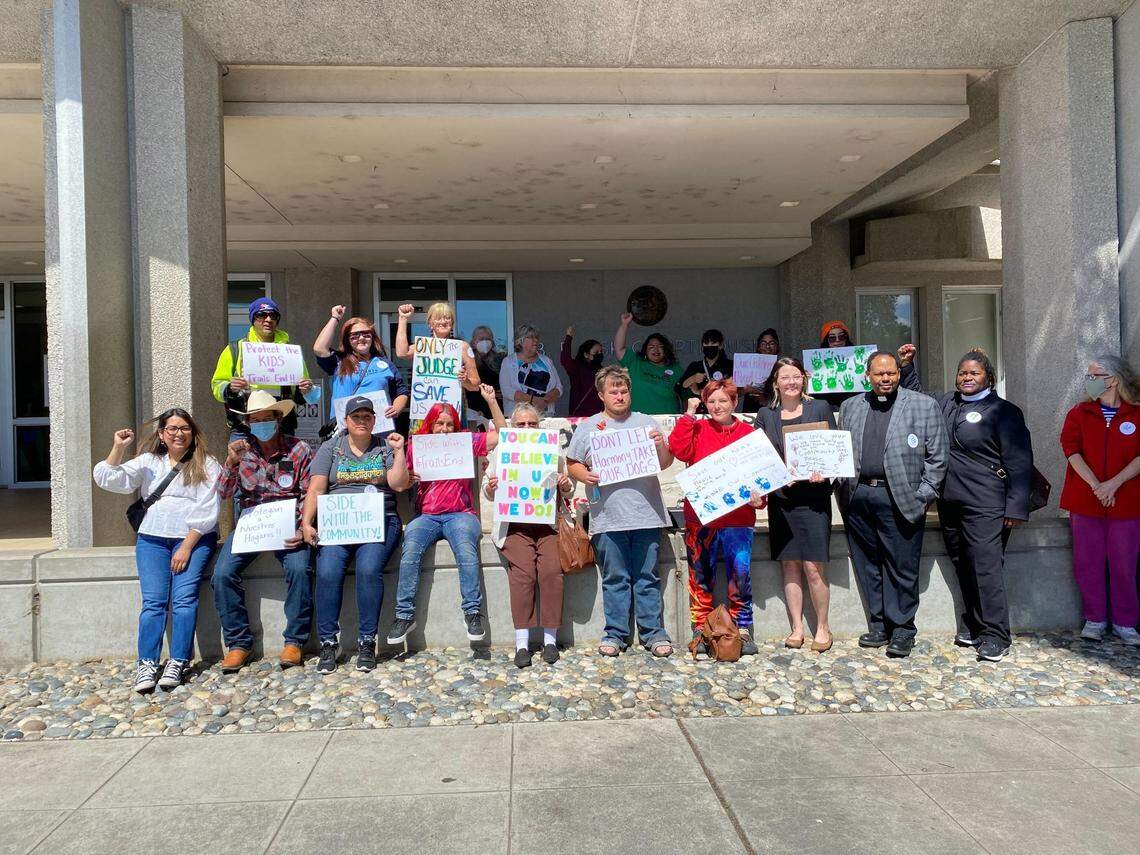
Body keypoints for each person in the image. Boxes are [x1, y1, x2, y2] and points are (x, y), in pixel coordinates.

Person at [898, 345, 1034, 661]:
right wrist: (907, 366)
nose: (967, 377)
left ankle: (997, 635)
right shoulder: (947, 403)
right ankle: (973, 625)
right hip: (950, 500)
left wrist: (1015, 506)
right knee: (963, 564)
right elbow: (918, 395)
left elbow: (1020, 462)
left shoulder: (1004, 411)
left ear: (988, 377)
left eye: (974, 372)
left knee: (987, 568)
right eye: (962, 372)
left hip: (987, 502)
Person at [93, 410, 221, 693]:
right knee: (153, 602)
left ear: (193, 432)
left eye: (185, 428)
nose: (178, 433)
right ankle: (147, 663)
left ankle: (178, 660)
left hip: (192, 539)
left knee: (184, 599)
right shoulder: (149, 462)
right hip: (152, 538)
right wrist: (118, 448)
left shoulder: (208, 464)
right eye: (172, 428)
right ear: (162, 434)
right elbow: (108, 478)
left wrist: (186, 547)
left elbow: (208, 510)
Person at [837, 351, 948, 658]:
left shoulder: (923, 405)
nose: (885, 379)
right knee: (868, 563)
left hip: (901, 497)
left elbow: (938, 457)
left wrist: (923, 494)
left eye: (891, 373)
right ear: (867, 376)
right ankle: (879, 625)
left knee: (902, 565)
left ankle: (902, 629)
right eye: (879, 374)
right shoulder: (850, 406)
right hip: (859, 498)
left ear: (899, 374)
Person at [567, 365, 676, 657]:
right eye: (613, 391)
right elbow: (572, 462)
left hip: (647, 514)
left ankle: (653, 633)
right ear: (602, 395)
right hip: (607, 518)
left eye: (624, 390)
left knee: (647, 576)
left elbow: (665, 462)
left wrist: (661, 445)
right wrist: (583, 475)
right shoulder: (589, 427)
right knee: (615, 578)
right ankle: (615, 635)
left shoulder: (645, 422)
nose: (619, 395)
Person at [387, 385, 506, 646]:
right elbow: (397, 484)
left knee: (466, 550)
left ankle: (473, 612)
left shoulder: (464, 440)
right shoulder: (416, 446)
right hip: (426, 516)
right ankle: (404, 616)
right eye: (439, 424)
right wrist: (405, 469)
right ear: (429, 425)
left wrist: (490, 401)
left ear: (456, 426)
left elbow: (500, 434)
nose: (444, 429)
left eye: (449, 424)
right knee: (411, 551)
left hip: (461, 514)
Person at [302, 396, 412, 674]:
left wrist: (399, 452)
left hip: (379, 521)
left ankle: (367, 640)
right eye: (356, 417)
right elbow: (316, 488)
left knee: (368, 569)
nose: (362, 421)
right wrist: (307, 522)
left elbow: (399, 485)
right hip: (339, 522)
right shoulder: (331, 448)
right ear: (346, 421)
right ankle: (328, 641)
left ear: (375, 421)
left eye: (367, 417)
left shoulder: (384, 447)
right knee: (327, 571)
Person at [213, 391, 314, 672]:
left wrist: (303, 525)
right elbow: (222, 493)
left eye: (266, 419)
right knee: (222, 574)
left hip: (288, 523)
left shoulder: (300, 449)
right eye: (254, 420)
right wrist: (231, 463)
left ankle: (294, 642)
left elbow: (308, 493)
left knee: (300, 569)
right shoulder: (240, 452)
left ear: (278, 419)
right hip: (252, 525)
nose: (261, 425)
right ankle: (238, 643)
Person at [669, 380, 765, 658]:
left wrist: (761, 499)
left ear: (735, 403)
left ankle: (743, 628)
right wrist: (688, 415)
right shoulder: (697, 428)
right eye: (711, 401)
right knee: (700, 576)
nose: (717, 406)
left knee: (741, 575)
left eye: (723, 401)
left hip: (738, 518)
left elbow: (761, 474)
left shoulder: (749, 433)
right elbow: (678, 450)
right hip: (701, 518)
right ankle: (701, 628)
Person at [753, 358, 836, 652]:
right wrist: (774, 479)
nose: (791, 382)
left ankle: (823, 628)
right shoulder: (766, 414)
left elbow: (833, 449)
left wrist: (823, 470)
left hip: (813, 500)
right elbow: (759, 456)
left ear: (803, 379)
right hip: (783, 501)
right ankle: (797, 627)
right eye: (785, 377)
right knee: (789, 565)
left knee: (814, 567)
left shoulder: (820, 408)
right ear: (776, 382)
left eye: (796, 376)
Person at [483, 402, 575, 668]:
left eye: (531, 424)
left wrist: (565, 484)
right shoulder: (502, 451)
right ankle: (522, 643)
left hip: (548, 526)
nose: (526, 428)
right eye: (521, 424)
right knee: (523, 576)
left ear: (539, 426)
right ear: (512, 427)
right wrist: (491, 487)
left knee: (550, 573)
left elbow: (568, 488)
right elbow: (490, 493)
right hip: (515, 527)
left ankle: (549, 640)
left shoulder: (552, 449)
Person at [1059, 354, 1140, 646]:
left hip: (1127, 501)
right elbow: (1071, 450)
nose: (1089, 381)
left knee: (1124, 563)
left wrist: (1114, 484)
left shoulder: (1136, 414)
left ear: (1114, 380)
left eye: (1095, 375)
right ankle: (1094, 618)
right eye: (1088, 376)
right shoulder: (1079, 413)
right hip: (1086, 501)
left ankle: (1126, 622)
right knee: (1087, 562)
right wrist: (1097, 486)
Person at [211, 296, 314, 436]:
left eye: (273, 315)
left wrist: (306, 389)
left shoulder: (290, 352)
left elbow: (304, 388)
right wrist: (230, 388)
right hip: (244, 426)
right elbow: (217, 385)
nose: (268, 319)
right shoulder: (235, 349)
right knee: (239, 458)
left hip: (282, 425)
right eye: (261, 315)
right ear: (253, 319)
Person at [312, 305, 408, 430]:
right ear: (347, 340)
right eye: (355, 335)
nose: (361, 338)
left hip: (378, 431)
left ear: (372, 337)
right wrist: (335, 318)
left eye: (366, 334)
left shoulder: (385, 364)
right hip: (345, 433)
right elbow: (319, 349)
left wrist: (396, 409)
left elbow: (401, 392)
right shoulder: (338, 361)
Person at [394, 300, 480, 399]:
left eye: (447, 318)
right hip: (426, 407)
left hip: (453, 408)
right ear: (430, 324)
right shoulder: (423, 346)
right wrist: (403, 318)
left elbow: (476, 385)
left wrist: (465, 381)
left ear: (452, 323)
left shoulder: (462, 347)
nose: (443, 322)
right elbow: (401, 353)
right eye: (438, 318)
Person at [613, 312, 682, 414]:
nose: (656, 349)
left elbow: (686, 394)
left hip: (666, 421)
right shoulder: (635, 362)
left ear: (666, 350)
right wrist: (624, 325)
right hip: (638, 421)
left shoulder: (676, 369)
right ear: (645, 350)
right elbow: (619, 348)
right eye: (651, 347)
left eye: (660, 346)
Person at [499, 324, 564, 415]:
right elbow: (506, 391)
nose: (536, 340)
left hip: (545, 416)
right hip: (517, 417)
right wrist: (534, 400)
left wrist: (546, 400)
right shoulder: (508, 362)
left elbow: (559, 387)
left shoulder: (546, 361)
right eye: (530, 337)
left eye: (536, 337)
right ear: (520, 341)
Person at [677, 328, 734, 411]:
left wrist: (700, 391)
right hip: (700, 411)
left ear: (720, 345)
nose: (709, 346)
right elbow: (681, 386)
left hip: (722, 410)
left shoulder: (730, 365)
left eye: (713, 343)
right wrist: (693, 379)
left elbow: (735, 389)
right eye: (706, 343)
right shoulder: (695, 366)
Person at [560, 326, 604, 417]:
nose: (599, 354)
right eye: (596, 352)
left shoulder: (602, 370)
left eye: (601, 352)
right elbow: (565, 359)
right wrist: (569, 337)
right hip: (580, 416)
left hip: (600, 416)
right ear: (586, 354)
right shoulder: (576, 368)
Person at [466, 325, 505, 421]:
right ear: (474, 342)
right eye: (481, 339)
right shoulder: (468, 360)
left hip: (495, 408)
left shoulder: (499, 360)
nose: (485, 342)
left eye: (488, 339)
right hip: (475, 409)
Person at [741, 328, 780, 412]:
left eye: (772, 343)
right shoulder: (748, 365)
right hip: (752, 411)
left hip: (774, 411)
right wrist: (745, 390)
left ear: (777, 347)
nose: (768, 347)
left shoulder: (783, 367)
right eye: (763, 343)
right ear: (758, 347)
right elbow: (737, 393)